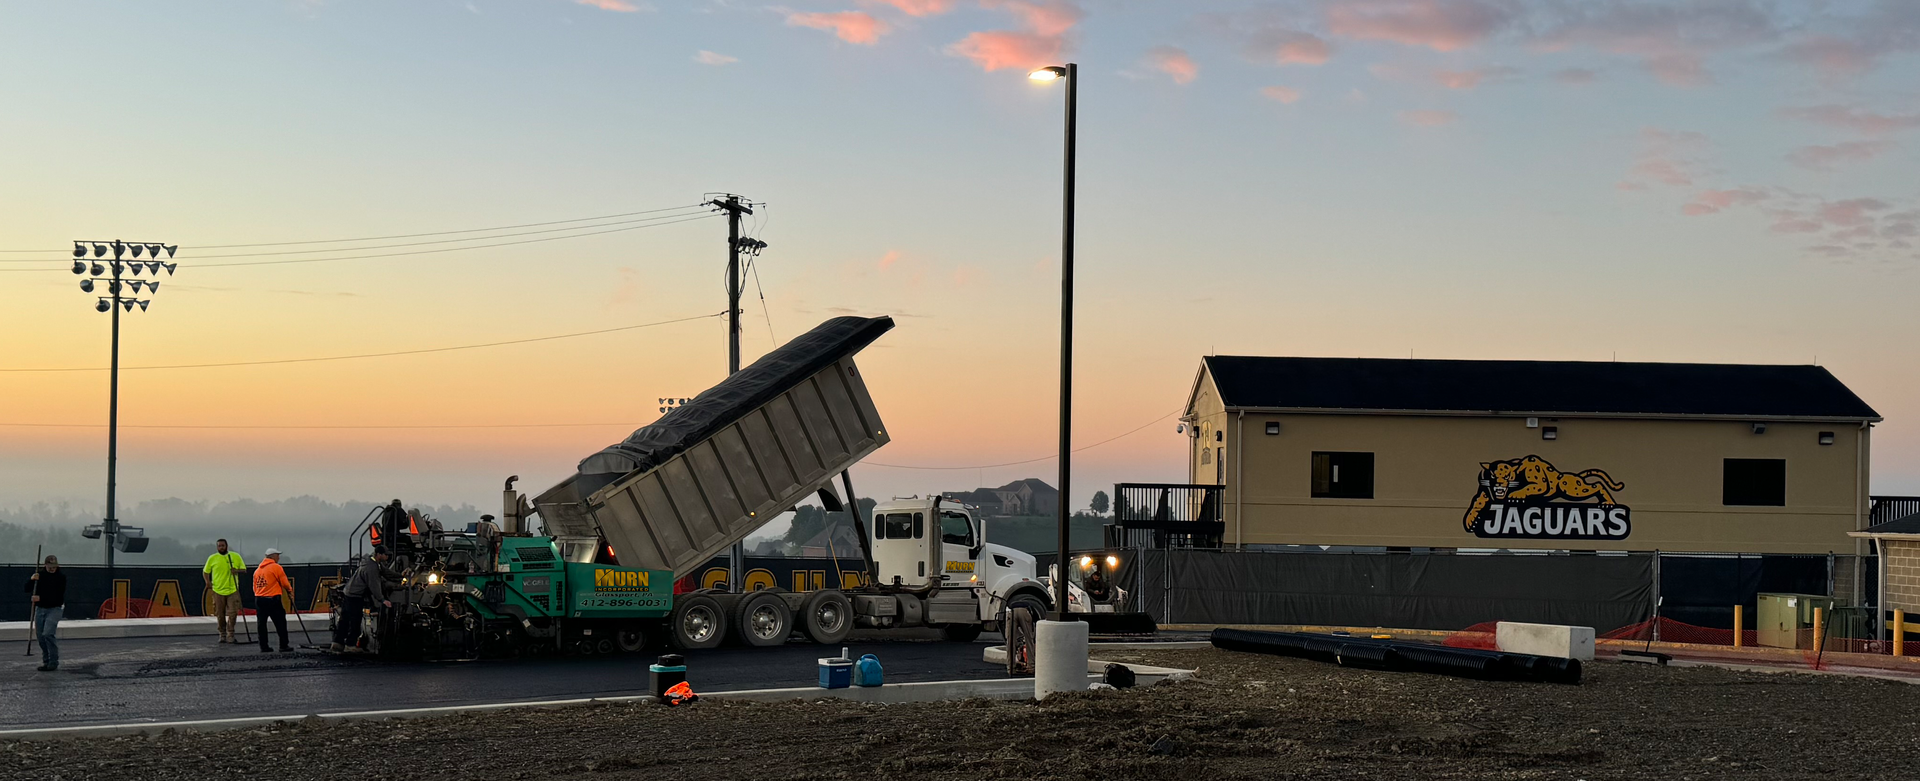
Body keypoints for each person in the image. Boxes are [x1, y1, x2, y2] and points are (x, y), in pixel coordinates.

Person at [331, 546, 392, 653]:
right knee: (355, 620)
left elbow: (385, 572)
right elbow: (374, 586)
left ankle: (337, 643)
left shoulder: (371, 563)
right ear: (379, 555)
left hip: (349, 592)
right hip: (355, 596)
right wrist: (382, 600)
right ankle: (350, 645)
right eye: (385, 554)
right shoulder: (372, 568)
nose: (387, 556)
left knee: (345, 619)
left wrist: (400, 576)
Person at [24, 555, 66, 672]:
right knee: (41, 637)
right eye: (50, 566)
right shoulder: (40, 576)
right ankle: (46, 661)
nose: (52, 569)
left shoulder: (61, 578)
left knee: (48, 633)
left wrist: (40, 598)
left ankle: (53, 661)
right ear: (45, 565)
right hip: (40, 609)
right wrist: (32, 580)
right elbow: (27, 589)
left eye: (54, 566)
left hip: (55, 608)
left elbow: (57, 596)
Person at [203, 539, 247, 644]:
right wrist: (207, 582)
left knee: (233, 613)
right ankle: (222, 634)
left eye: (223, 545)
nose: (221, 547)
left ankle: (230, 634)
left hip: (232, 590)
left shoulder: (235, 556)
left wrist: (236, 570)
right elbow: (205, 571)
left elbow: (244, 569)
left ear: (227, 546)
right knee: (220, 614)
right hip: (218, 590)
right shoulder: (212, 558)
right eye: (219, 546)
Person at [253, 548, 294, 653]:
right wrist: (290, 591)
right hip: (272, 599)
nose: (279, 557)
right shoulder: (276, 567)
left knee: (261, 624)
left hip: (259, 599)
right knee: (280, 622)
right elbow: (284, 582)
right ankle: (283, 645)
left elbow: (254, 587)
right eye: (277, 555)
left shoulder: (258, 570)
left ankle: (263, 646)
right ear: (273, 556)